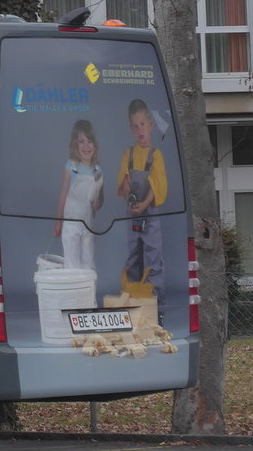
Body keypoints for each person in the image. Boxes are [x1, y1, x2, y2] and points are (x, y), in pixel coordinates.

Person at [116, 98, 168, 304]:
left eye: (143, 125)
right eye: (135, 126)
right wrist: (131, 199)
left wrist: (144, 204)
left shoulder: (156, 155)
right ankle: (133, 301)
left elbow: (157, 185)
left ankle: (157, 306)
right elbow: (124, 179)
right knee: (133, 258)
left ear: (151, 125)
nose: (140, 131)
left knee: (153, 259)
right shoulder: (128, 154)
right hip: (132, 215)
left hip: (151, 216)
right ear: (131, 128)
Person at [53, 119, 104, 270]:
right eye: (82, 141)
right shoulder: (71, 167)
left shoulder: (98, 171)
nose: (86, 146)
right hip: (70, 224)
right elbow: (63, 195)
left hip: (87, 226)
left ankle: (87, 290)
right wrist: (58, 221)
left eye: (90, 141)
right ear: (75, 144)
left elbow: (100, 198)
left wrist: (98, 204)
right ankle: (72, 291)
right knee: (71, 261)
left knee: (88, 261)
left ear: (95, 145)